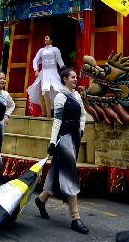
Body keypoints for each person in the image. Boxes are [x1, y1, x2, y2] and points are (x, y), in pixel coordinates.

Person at [34, 68, 89, 234]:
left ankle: (41, 199)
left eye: (75, 77)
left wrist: (80, 130)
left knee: (57, 171)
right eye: (72, 77)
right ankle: (75, 218)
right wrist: (52, 142)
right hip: (63, 138)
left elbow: (83, 115)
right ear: (64, 79)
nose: (75, 79)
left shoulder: (77, 96)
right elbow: (57, 121)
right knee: (70, 174)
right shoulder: (59, 96)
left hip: (74, 137)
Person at [28, 35, 65, 116]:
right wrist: (36, 70)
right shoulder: (41, 50)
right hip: (43, 73)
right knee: (41, 93)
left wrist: (64, 72)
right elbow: (35, 60)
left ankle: (49, 114)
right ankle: (44, 112)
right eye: (45, 37)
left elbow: (60, 62)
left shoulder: (55, 50)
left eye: (47, 38)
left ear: (51, 40)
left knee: (46, 93)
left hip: (52, 72)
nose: (45, 39)